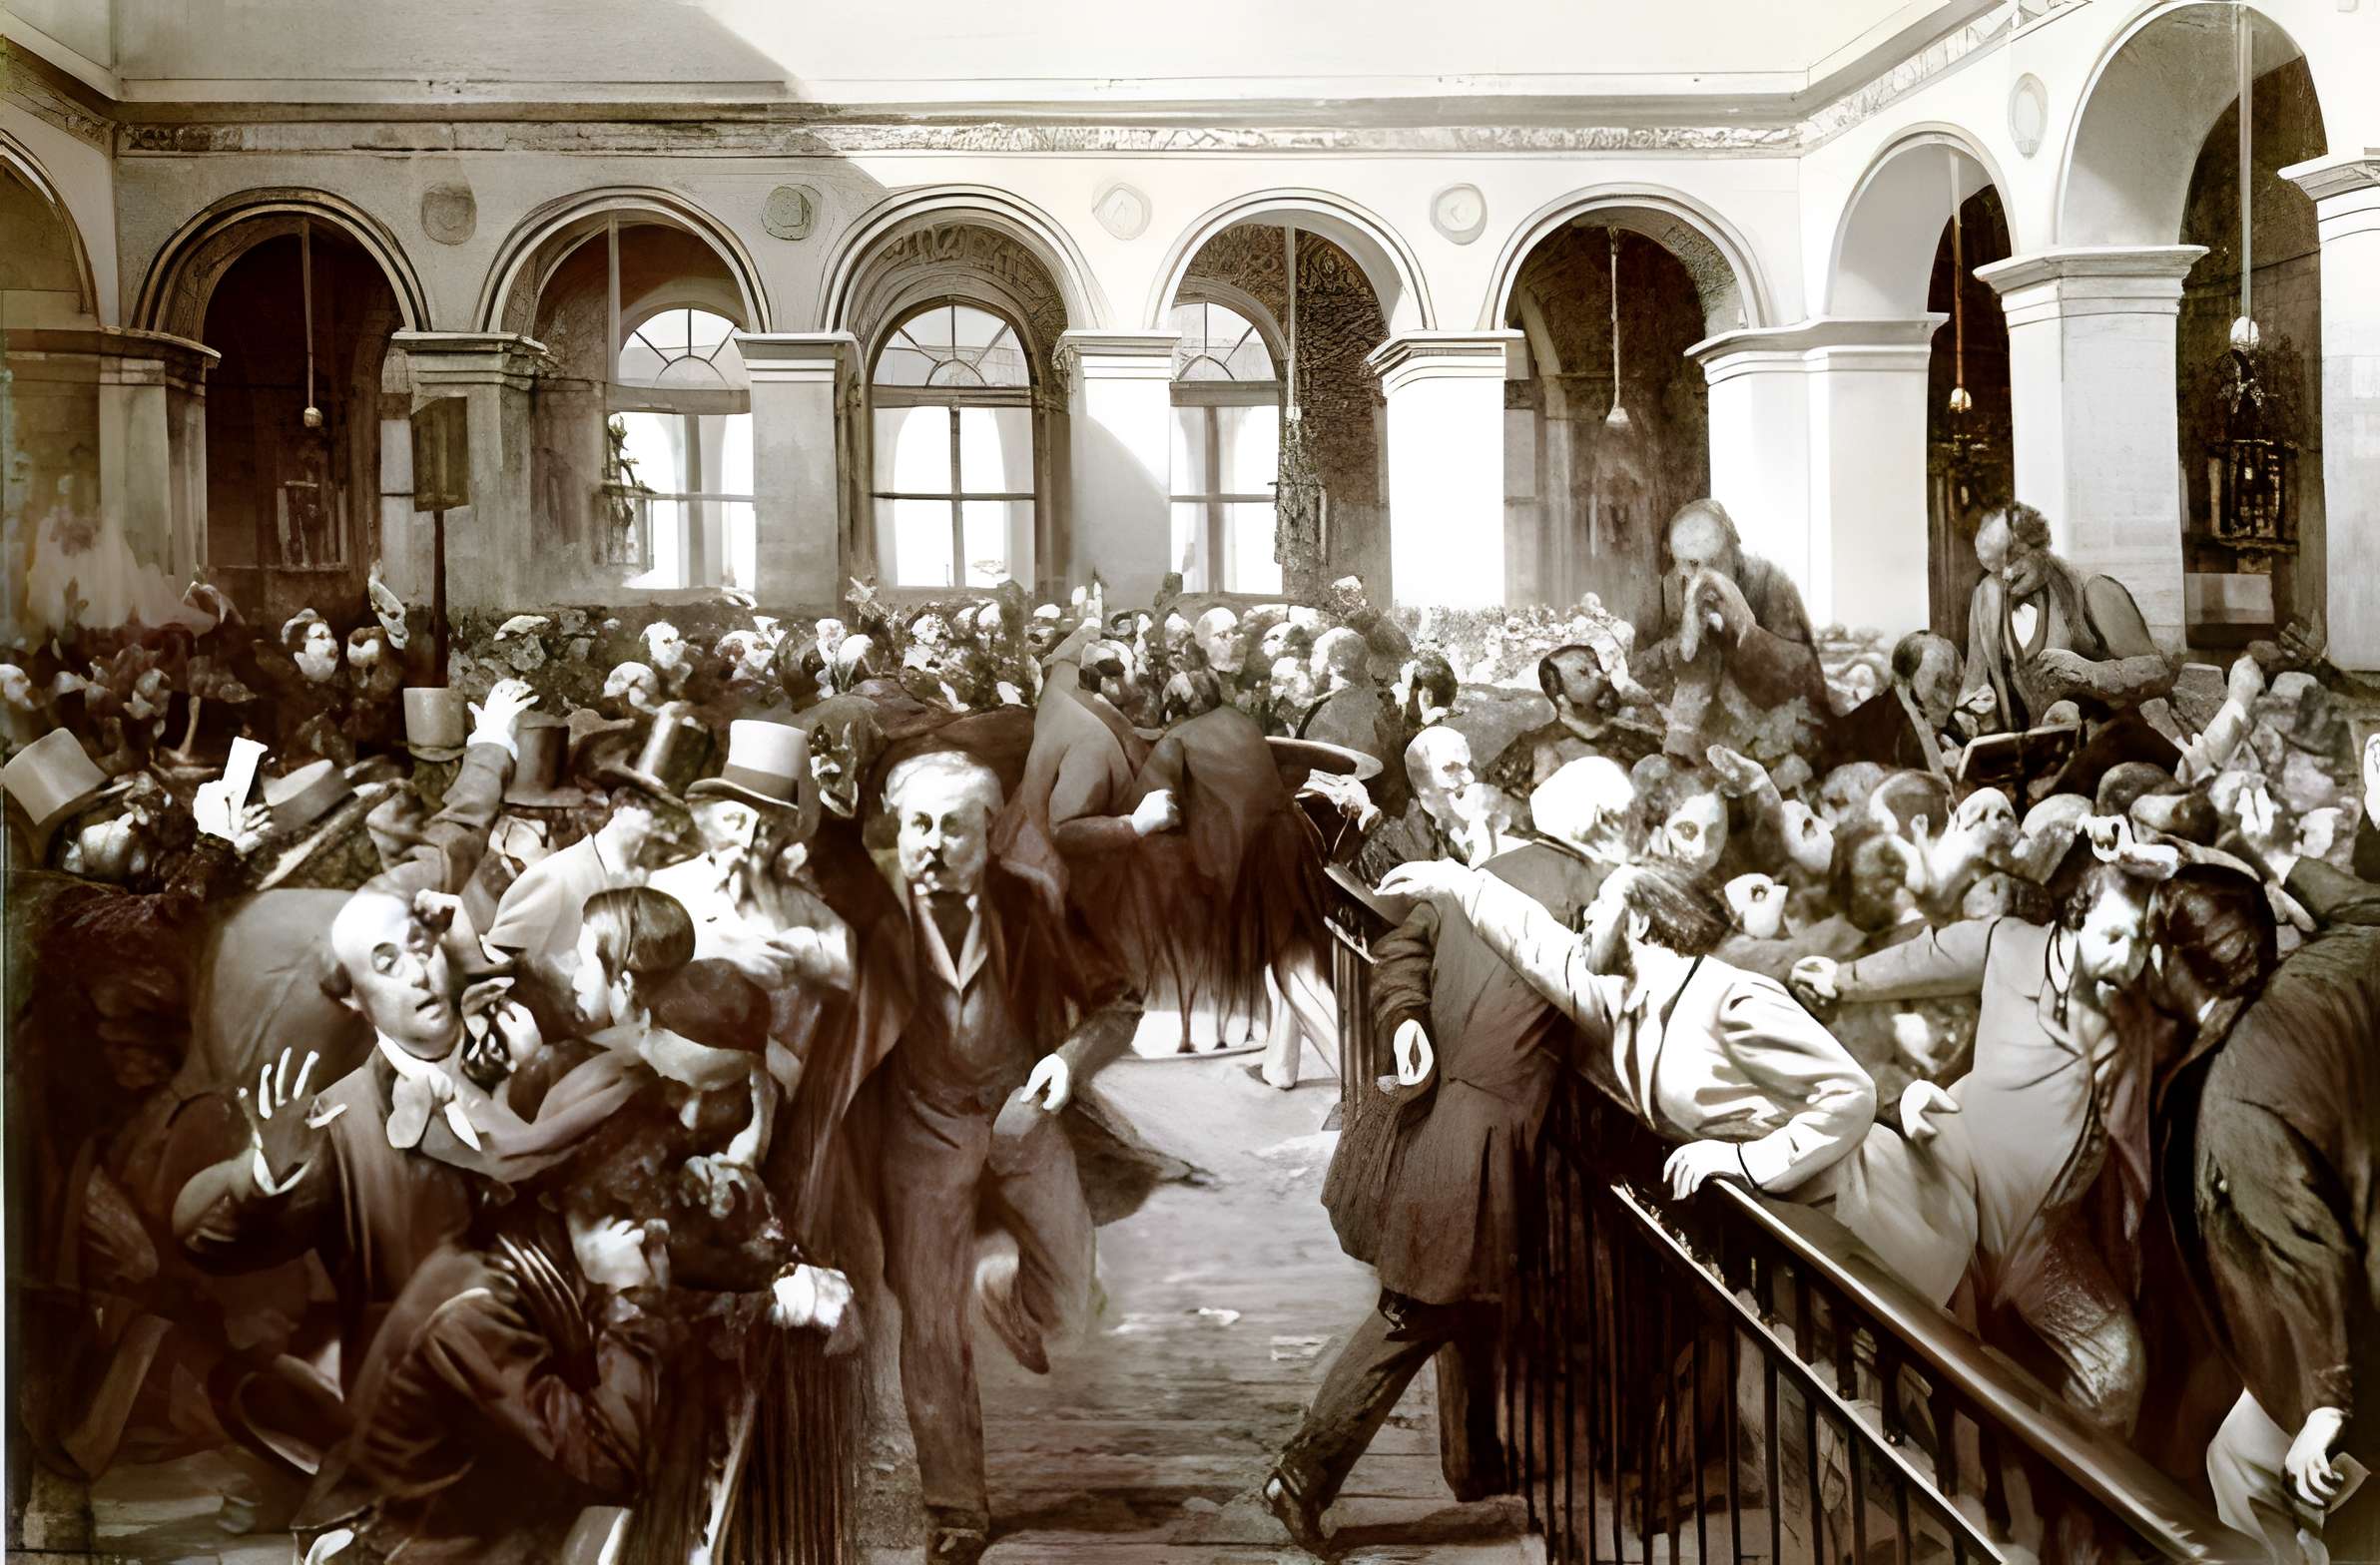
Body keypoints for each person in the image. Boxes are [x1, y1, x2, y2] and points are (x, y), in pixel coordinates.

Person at [779, 750, 1142, 1565]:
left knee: (1074, 1300)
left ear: (990, 833)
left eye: (952, 827)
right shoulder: (875, 902)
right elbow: (829, 866)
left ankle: (1010, 1287)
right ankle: (955, 1509)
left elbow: (1119, 996)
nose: (932, 845)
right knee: (932, 1322)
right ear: (895, 831)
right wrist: (830, 813)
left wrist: (1069, 1060)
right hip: (921, 1130)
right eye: (916, 826)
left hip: (1022, 1116)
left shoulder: (1032, 898)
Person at [1268, 760, 1628, 1551]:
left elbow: (1401, 949)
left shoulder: (1484, 875)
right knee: (1415, 1313)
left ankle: (1475, 1462)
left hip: (1443, 1126)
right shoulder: (1592, 895)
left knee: (1459, 1293)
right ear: (1605, 821)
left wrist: (1406, 1018)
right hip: (1491, 1140)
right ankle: (1301, 1476)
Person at [1792, 862, 2160, 1432]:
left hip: (2041, 1237)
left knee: (2115, 1369)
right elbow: (1929, 958)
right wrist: (1841, 978)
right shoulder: (2008, 943)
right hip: (1954, 1188)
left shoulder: (2131, 1007)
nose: (2129, 959)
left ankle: (2071, 1516)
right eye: (2115, 937)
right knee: (1933, 1369)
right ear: (2073, 921)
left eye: (2140, 942)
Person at [2180, 919, 2380, 1565]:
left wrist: (2326, 1406)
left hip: (2351, 1331)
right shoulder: (2349, 955)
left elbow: (2306, 1246)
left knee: (2240, 1466)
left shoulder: (2238, 1090)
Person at [1958, 504, 2179, 795]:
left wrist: (2090, 673)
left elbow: (2159, 671)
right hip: (2031, 773)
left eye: (2016, 559)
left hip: (2111, 764)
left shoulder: (2093, 589)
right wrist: (1972, 710)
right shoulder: (1987, 600)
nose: (2007, 575)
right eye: (1997, 567)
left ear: (2041, 546)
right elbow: (1973, 685)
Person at [1635, 498, 1830, 717]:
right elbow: (1678, 653)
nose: (1703, 577)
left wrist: (1747, 632)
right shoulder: (1677, 587)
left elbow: (1809, 680)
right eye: (1692, 564)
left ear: (1734, 543)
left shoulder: (1771, 581)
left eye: (1715, 561)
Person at [1831, 630, 1964, 779]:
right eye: (1937, 683)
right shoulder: (1879, 728)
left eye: (1954, 683)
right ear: (1905, 680)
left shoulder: (1927, 713)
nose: (1946, 699)